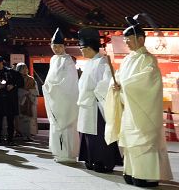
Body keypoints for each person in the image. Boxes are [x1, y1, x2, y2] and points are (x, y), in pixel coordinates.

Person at [107, 15, 173, 187]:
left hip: (143, 109)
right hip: (130, 108)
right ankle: (131, 171)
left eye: (129, 39)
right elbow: (119, 77)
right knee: (131, 141)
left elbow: (147, 81)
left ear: (141, 39)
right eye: (125, 40)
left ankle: (147, 175)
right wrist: (114, 84)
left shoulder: (148, 59)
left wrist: (124, 84)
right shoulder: (128, 59)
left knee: (144, 141)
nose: (126, 43)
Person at [74, 28, 121, 173]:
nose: (81, 51)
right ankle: (90, 158)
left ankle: (103, 161)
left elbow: (106, 82)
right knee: (88, 134)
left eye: (82, 48)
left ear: (88, 48)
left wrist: (95, 93)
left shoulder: (101, 62)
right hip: (86, 103)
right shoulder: (90, 63)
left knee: (98, 134)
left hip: (95, 104)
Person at [42, 29, 80, 163]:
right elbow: (50, 77)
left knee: (67, 125)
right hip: (55, 98)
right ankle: (58, 152)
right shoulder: (53, 59)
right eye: (54, 46)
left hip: (65, 98)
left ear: (64, 47)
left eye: (59, 46)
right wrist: (48, 86)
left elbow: (69, 81)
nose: (56, 49)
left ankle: (68, 154)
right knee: (56, 125)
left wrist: (53, 87)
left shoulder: (68, 60)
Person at [0, 55, 22, 145]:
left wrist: (13, 86)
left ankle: (10, 139)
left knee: (10, 120)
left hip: (10, 99)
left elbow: (20, 82)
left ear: (1, 63)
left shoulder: (11, 72)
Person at [16, 62, 39, 142]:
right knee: (21, 118)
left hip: (30, 100)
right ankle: (22, 133)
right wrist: (24, 92)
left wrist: (30, 92)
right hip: (20, 100)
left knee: (29, 118)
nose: (25, 70)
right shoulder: (17, 79)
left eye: (26, 68)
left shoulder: (31, 79)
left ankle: (28, 134)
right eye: (23, 68)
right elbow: (16, 90)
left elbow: (36, 91)